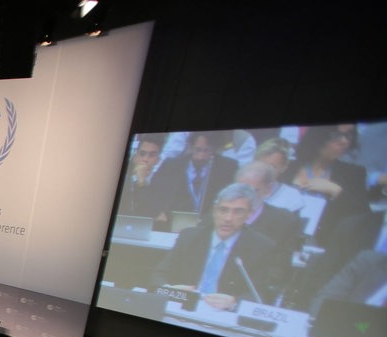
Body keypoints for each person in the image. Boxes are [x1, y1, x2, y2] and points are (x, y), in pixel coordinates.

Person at [151, 183, 286, 309]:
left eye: (237, 212)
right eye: (223, 210)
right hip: (183, 306)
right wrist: (169, 290)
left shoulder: (261, 247)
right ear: (215, 210)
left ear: (249, 214)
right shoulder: (189, 237)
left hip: (225, 315)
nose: (228, 218)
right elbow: (158, 274)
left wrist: (234, 302)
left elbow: (261, 295)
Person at [149, 130, 239, 223]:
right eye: (198, 150)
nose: (201, 156)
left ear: (213, 150)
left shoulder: (228, 168)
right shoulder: (171, 165)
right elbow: (155, 192)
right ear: (190, 147)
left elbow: (232, 197)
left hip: (210, 224)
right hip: (173, 221)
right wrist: (159, 211)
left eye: (206, 151)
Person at [117, 133, 168, 218]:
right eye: (142, 154)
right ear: (135, 156)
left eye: (152, 155)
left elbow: (160, 216)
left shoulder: (163, 183)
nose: (145, 159)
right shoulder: (122, 180)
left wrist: (141, 182)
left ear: (158, 159)